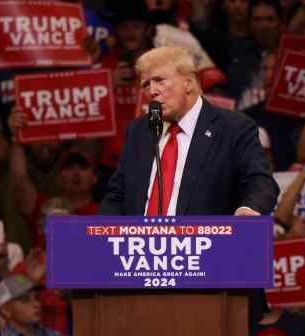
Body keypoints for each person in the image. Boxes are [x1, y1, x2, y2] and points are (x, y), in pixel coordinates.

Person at [99, 46, 279, 326]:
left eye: (160, 80)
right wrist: (99, 240)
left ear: (189, 81)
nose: (152, 91)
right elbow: (117, 194)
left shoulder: (233, 126)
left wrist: (249, 210)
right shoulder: (141, 129)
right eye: (146, 84)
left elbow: (260, 181)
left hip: (211, 277)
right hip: (140, 274)